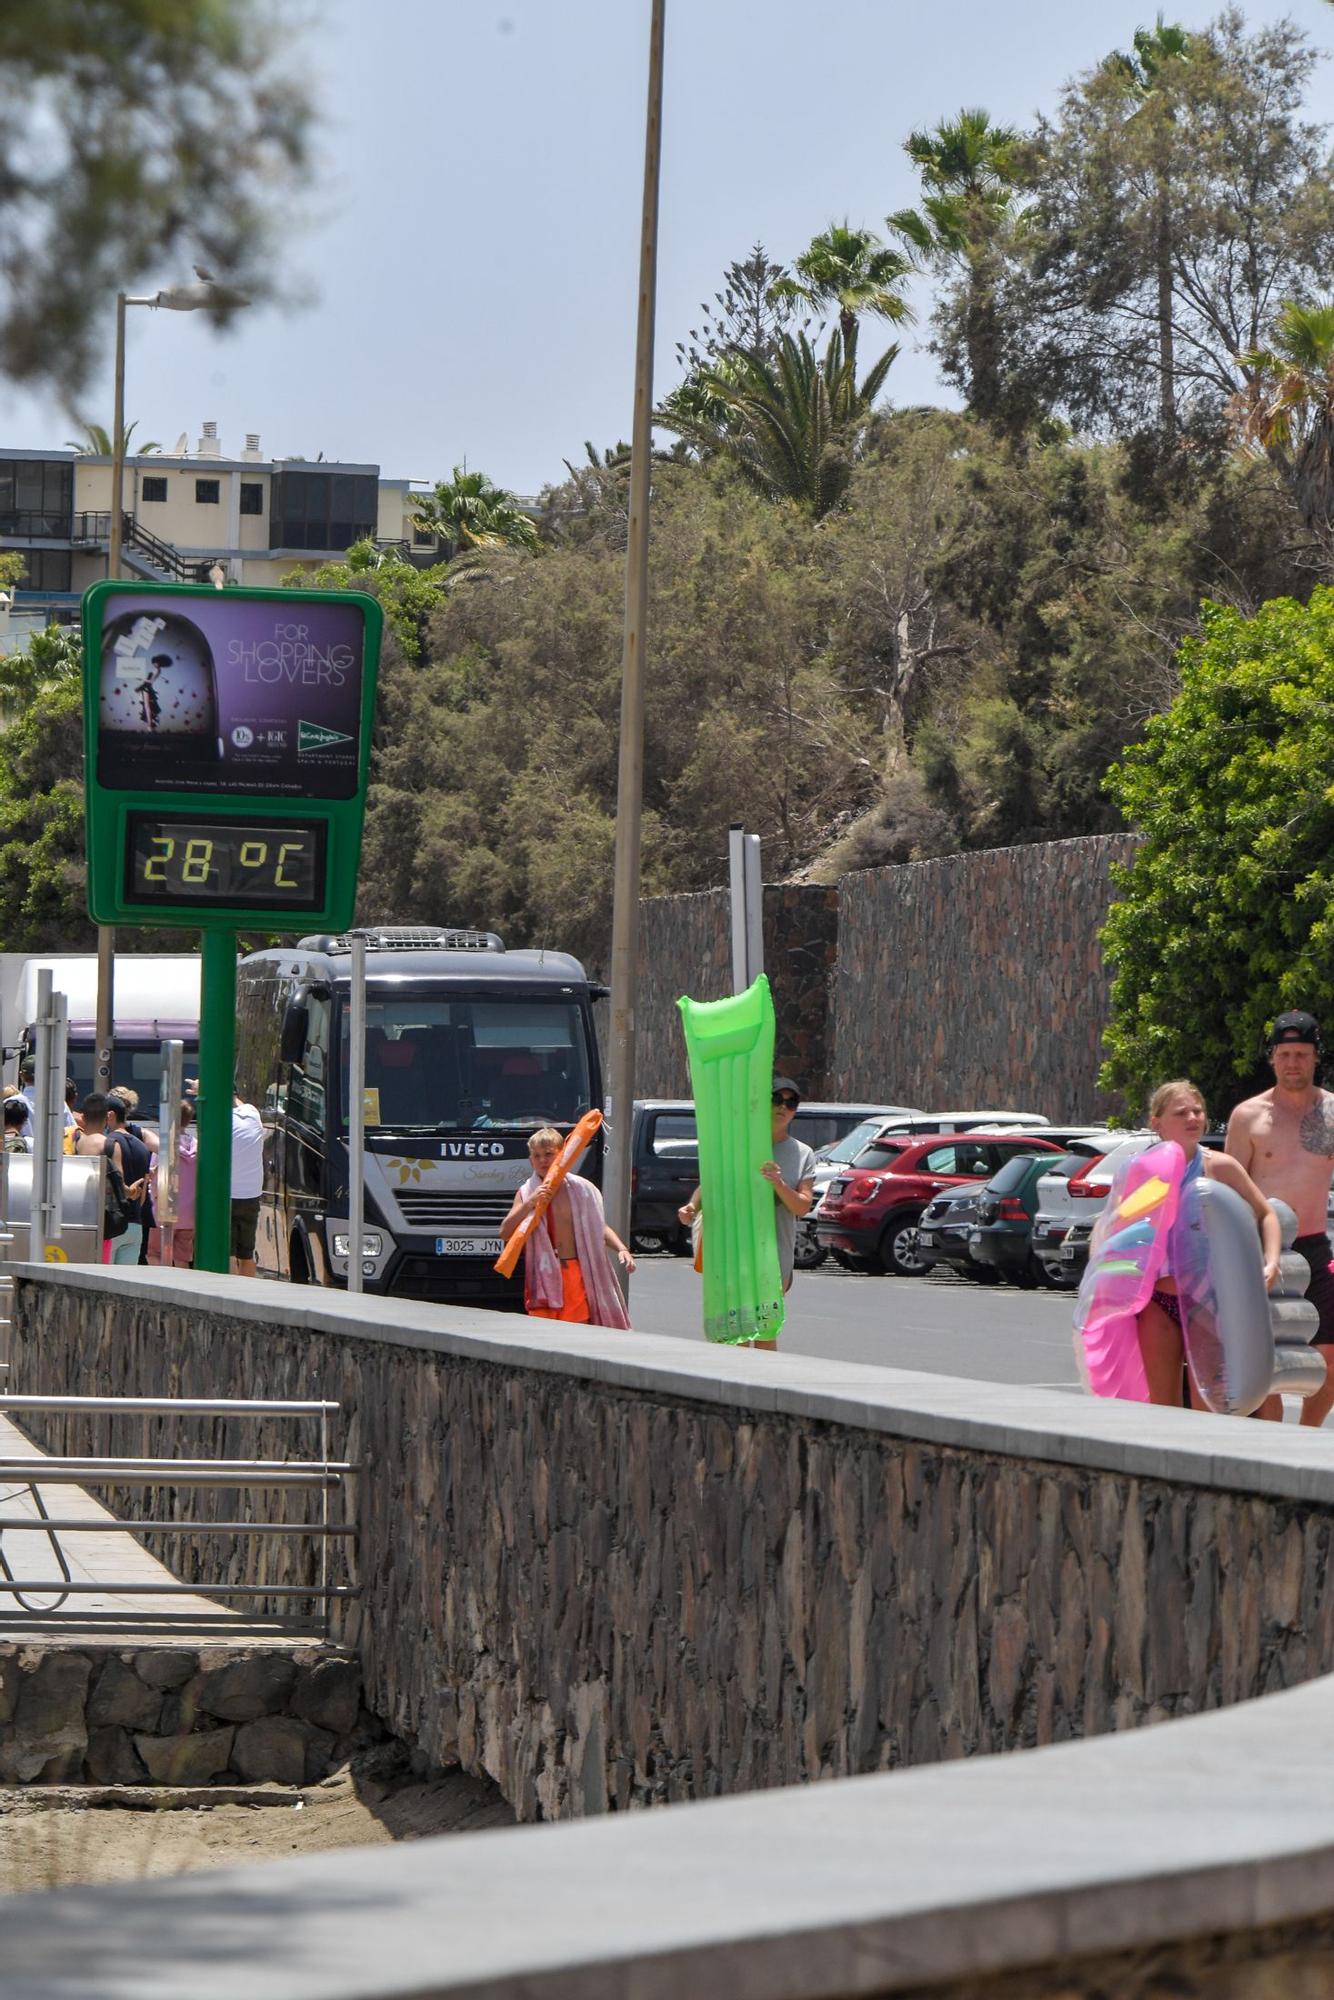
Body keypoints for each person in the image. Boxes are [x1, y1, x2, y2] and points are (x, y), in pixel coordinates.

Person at [1136, 1080, 1280, 1408]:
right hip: (1158, 1298)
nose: (1192, 1118)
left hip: (1208, 1299)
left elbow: (1266, 1214)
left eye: (1197, 1111)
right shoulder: (1143, 1170)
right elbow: (1118, 1228)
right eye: (1181, 1112)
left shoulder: (1220, 1166)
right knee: (1161, 1407)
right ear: (1157, 1123)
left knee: (1210, 1407)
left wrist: (1270, 1262)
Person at [1226, 1011, 1334, 1426]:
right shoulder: (1249, 1115)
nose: (1293, 1063)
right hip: (1261, 1247)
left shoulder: (1330, 1112)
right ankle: (1270, 1439)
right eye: (1285, 1054)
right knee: (1264, 1354)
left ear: (1315, 1058)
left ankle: (1307, 1433)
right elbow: (1233, 1187)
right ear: (1272, 1058)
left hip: (1315, 1243)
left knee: (1330, 1351)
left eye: (1302, 1054)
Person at [678, 1074, 817, 1351]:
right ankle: (733, 1390)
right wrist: (692, 1207)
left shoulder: (802, 1153)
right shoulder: (740, 1143)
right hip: (735, 1251)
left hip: (775, 1256)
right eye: (776, 1099)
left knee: (765, 1331)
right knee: (737, 1332)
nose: (783, 1107)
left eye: (791, 1103)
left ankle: (763, 1389)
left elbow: (802, 1206)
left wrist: (778, 1184)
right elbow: (712, 1185)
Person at [500, 1126, 634, 1329]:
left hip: (576, 1272)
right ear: (530, 1161)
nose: (543, 1160)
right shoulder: (527, 1192)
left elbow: (598, 1227)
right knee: (543, 1333)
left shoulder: (581, 1189)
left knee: (578, 1331)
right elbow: (505, 1232)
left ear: (562, 1155)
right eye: (536, 1156)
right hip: (543, 1275)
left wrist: (622, 1249)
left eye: (548, 1154)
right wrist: (530, 1204)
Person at [75, 1091, 147, 1262]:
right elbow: (120, 1186)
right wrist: (132, 1192)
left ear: (84, 1117)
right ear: (106, 1117)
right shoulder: (121, 1145)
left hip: (89, 1220)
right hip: (122, 1224)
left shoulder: (75, 1140)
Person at [102, 1094, 153, 1266]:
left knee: (104, 1283)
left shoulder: (109, 1143)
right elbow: (143, 1194)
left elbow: (117, 1184)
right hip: (136, 1226)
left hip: (113, 1226)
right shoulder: (142, 1145)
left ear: (110, 1116)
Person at [231, 1092, 264, 1277]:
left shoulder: (223, 1119)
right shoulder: (253, 1113)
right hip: (252, 1194)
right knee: (247, 1253)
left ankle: (229, 1294)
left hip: (228, 1194)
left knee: (228, 1253)